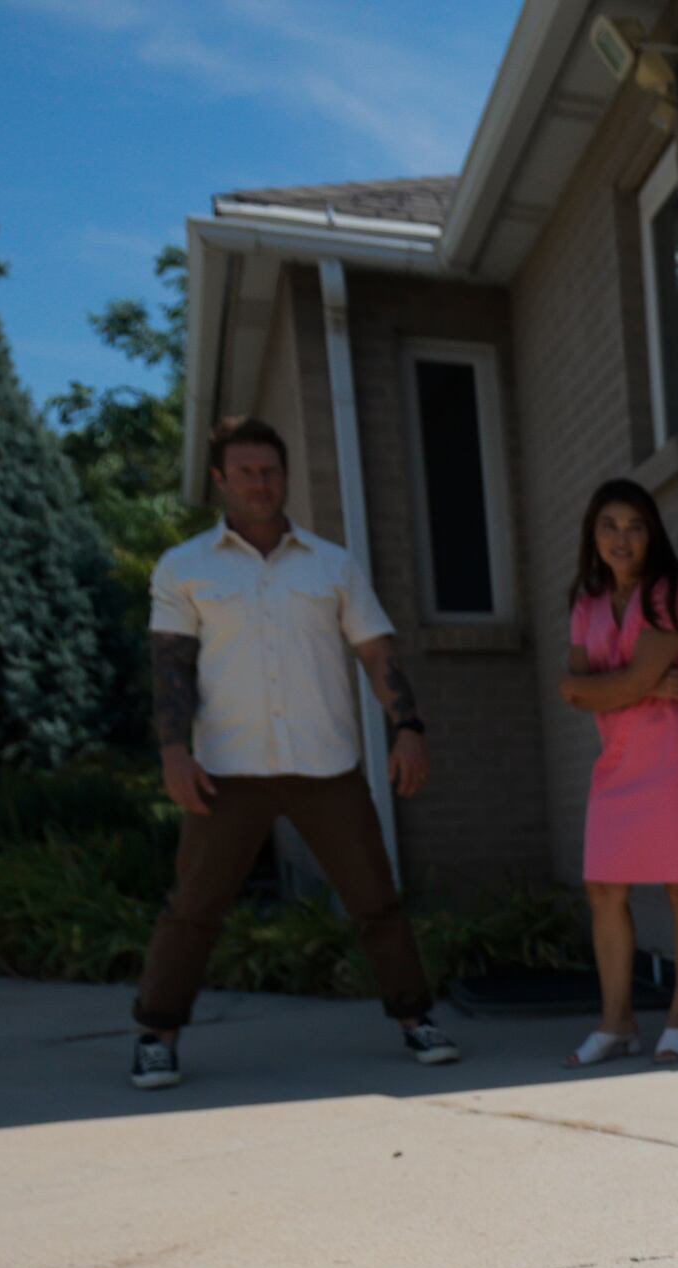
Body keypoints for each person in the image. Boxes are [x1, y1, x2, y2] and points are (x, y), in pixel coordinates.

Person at [128, 417, 458, 1089]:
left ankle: (415, 1020)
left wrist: (409, 726)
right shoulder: (184, 568)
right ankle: (156, 1036)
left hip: (325, 766)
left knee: (376, 902)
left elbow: (376, 651)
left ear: (284, 476)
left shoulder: (331, 564)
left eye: (270, 471)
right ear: (221, 480)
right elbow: (171, 667)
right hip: (226, 769)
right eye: (246, 472)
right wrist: (172, 751)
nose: (260, 483)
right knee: (193, 909)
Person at [557, 479, 678, 1065]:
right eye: (609, 525)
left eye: (634, 525)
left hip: (675, 755)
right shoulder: (585, 604)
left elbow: (593, 687)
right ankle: (617, 1023)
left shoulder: (670, 593)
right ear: (593, 535)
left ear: (652, 532)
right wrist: (639, 686)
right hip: (618, 759)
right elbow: (572, 691)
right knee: (604, 886)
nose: (621, 538)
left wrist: (609, 688)